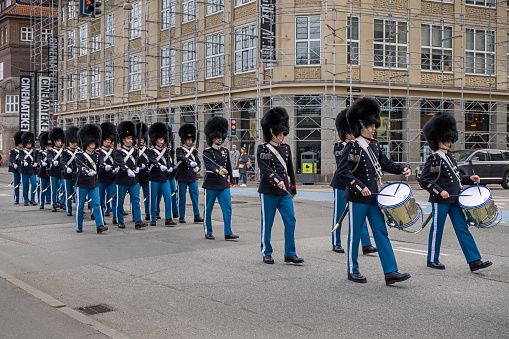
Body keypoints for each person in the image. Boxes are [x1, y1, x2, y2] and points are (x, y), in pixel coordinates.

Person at [337, 97, 411, 285]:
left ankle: (391, 272)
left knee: (381, 232)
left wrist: (402, 167)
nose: (373, 128)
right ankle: (352, 270)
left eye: (373, 125)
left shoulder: (375, 145)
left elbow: (385, 164)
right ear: (361, 125)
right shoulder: (353, 146)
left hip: (374, 197)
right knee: (355, 235)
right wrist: (359, 187)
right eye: (370, 125)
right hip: (357, 197)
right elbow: (342, 172)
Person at [419, 111, 492, 272]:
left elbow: (457, 178)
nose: (449, 142)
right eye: (446, 139)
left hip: (455, 199)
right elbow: (424, 180)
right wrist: (439, 191)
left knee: (462, 228)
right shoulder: (435, 158)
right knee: (437, 229)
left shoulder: (450, 156)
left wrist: (470, 179)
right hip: (441, 200)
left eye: (449, 139)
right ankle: (432, 259)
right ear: (438, 139)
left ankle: (474, 260)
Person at [257, 107, 303, 265]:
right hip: (269, 190)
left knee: (290, 219)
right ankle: (266, 252)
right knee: (267, 222)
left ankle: (290, 253)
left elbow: (289, 169)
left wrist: (293, 188)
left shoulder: (286, 148)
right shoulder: (262, 148)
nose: (282, 136)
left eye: (283, 133)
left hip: (284, 192)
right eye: (280, 133)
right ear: (272, 132)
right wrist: (276, 179)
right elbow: (264, 168)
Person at [330, 109, 377, 254]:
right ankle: (336, 242)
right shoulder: (340, 146)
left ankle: (366, 244)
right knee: (339, 214)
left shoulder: (361, 145)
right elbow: (344, 166)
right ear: (346, 132)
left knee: (359, 215)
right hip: (342, 185)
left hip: (357, 185)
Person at [202, 116, 239, 240]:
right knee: (209, 208)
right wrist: (218, 170)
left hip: (223, 183)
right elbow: (209, 165)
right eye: (217, 137)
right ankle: (208, 231)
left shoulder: (224, 151)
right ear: (212, 138)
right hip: (211, 183)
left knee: (227, 208)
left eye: (221, 137)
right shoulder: (207, 152)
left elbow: (228, 165)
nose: (220, 139)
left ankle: (228, 232)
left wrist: (231, 178)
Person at [113, 121, 147, 230]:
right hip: (122, 179)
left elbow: (142, 162)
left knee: (136, 200)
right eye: (127, 139)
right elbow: (119, 162)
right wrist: (127, 169)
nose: (130, 141)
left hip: (134, 179)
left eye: (131, 139)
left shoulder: (136, 151)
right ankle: (120, 220)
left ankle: (138, 221)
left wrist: (139, 167)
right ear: (123, 139)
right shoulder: (118, 151)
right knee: (120, 201)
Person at [75, 124, 107, 233]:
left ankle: (100, 225)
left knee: (97, 204)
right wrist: (87, 171)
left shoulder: (98, 155)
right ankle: (79, 226)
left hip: (94, 183)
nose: (93, 145)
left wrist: (106, 166)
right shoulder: (80, 155)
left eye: (94, 143)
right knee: (80, 206)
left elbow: (101, 163)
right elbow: (80, 167)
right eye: (91, 143)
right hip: (83, 183)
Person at [147, 122, 176, 226]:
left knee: (168, 198)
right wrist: (159, 165)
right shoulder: (151, 151)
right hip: (154, 177)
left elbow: (171, 162)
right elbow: (151, 160)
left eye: (162, 139)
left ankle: (168, 218)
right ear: (155, 140)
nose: (161, 141)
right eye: (159, 139)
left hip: (165, 178)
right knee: (153, 198)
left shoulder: (167, 151)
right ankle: (153, 218)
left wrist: (171, 168)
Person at [175, 124, 203, 224]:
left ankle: (197, 215)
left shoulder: (194, 150)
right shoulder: (179, 149)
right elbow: (181, 157)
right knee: (181, 197)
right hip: (182, 175)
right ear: (184, 140)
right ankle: (181, 216)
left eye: (191, 140)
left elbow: (198, 161)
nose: (190, 142)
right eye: (188, 140)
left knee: (195, 196)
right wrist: (190, 162)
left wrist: (198, 167)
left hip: (192, 175)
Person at [98, 122, 118, 224]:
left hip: (112, 177)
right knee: (100, 200)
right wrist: (104, 166)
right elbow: (100, 161)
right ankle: (101, 218)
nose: (109, 141)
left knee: (114, 198)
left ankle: (115, 217)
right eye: (107, 140)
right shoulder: (99, 151)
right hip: (101, 177)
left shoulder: (114, 151)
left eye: (110, 140)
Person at [60, 127, 80, 216]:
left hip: (77, 174)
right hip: (68, 174)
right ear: (69, 143)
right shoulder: (65, 152)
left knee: (77, 192)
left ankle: (78, 209)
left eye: (76, 143)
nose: (75, 144)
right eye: (73, 143)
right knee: (68, 192)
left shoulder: (79, 151)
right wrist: (66, 167)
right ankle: (69, 209)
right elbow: (63, 161)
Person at [135, 122, 151, 221]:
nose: (141, 140)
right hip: (136, 174)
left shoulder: (147, 149)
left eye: (142, 138)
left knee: (147, 194)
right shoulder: (133, 150)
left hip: (146, 174)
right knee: (135, 195)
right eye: (139, 139)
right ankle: (134, 214)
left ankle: (148, 212)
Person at [47, 127, 65, 212]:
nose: (59, 142)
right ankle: (54, 204)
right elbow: (49, 157)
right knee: (54, 189)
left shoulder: (63, 151)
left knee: (64, 187)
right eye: (57, 141)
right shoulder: (51, 150)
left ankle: (62, 202)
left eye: (60, 141)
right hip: (54, 171)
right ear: (54, 142)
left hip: (62, 171)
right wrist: (53, 161)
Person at [19, 132, 38, 206]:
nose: (29, 145)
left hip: (32, 170)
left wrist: (37, 162)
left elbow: (37, 158)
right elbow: (20, 157)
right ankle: (25, 200)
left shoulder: (34, 151)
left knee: (34, 184)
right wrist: (23, 161)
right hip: (24, 170)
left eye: (30, 144)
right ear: (25, 144)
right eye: (27, 144)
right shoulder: (22, 151)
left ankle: (32, 199)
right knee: (25, 186)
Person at [36, 132, 52, 209]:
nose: (49, 147)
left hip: (50, 172)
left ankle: (49, 200)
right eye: (48, 146)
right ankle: (42, 203)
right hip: (43, 173)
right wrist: (41, 162)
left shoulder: (52, 153)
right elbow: (38, 159)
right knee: (43, 188)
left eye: (50, 146)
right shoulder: (41, 153)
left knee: (50, 188)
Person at [9, 131, 24, 204]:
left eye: (21, 144)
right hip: (16, 169)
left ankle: (24, 198)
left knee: (24, 184)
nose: (21, 145)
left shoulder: (24, 151)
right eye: (20, 144)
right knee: (16, 184)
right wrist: (14, 163)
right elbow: (11, 158)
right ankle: (16, 198)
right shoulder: (13, 151)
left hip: (23, 168)